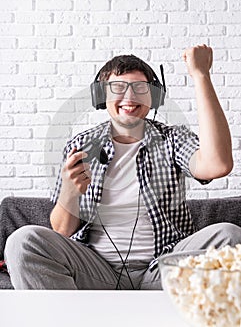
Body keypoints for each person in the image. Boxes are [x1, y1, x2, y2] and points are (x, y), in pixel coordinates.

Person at [4, 44, 241, 290]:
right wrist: (69, 193)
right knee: (23, 241)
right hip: (96, 270)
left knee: (229, 236)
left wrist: (200, 74)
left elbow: (218, 165)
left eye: (140, 88)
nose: (129, 98)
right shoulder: (81, 145)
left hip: (165, 269)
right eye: (117, 88)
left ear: (155, 97)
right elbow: (62, 231)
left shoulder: (173, 139)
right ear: (101, 96)